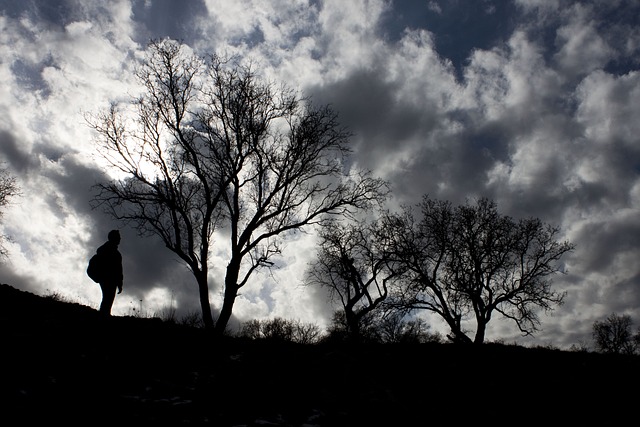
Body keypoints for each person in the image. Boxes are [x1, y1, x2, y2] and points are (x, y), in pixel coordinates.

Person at [96, 229, 124, 316]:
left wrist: (119, 283)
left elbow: (119, 270)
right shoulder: (114, 253)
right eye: (118, 237)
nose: (120, 239)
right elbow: (118, 270)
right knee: (108, 299)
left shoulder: (103, 249)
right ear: (114, 238)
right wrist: (119, 283)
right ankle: (104, 316)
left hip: (106, 279)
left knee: (107, 299)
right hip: (108, 279)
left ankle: (104, 315)